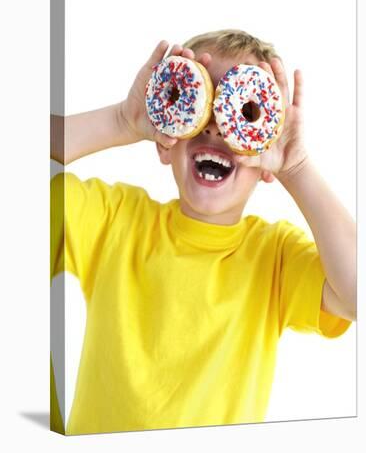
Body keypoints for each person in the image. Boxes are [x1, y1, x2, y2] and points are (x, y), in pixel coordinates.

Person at [50, 29, 356, 435]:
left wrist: (296, 170)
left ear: (266, 160)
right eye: (196, 104)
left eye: (242, 114)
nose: (214, 128)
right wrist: (120, 121)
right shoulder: (114, 220)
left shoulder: (274, 259)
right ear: (165, 143)